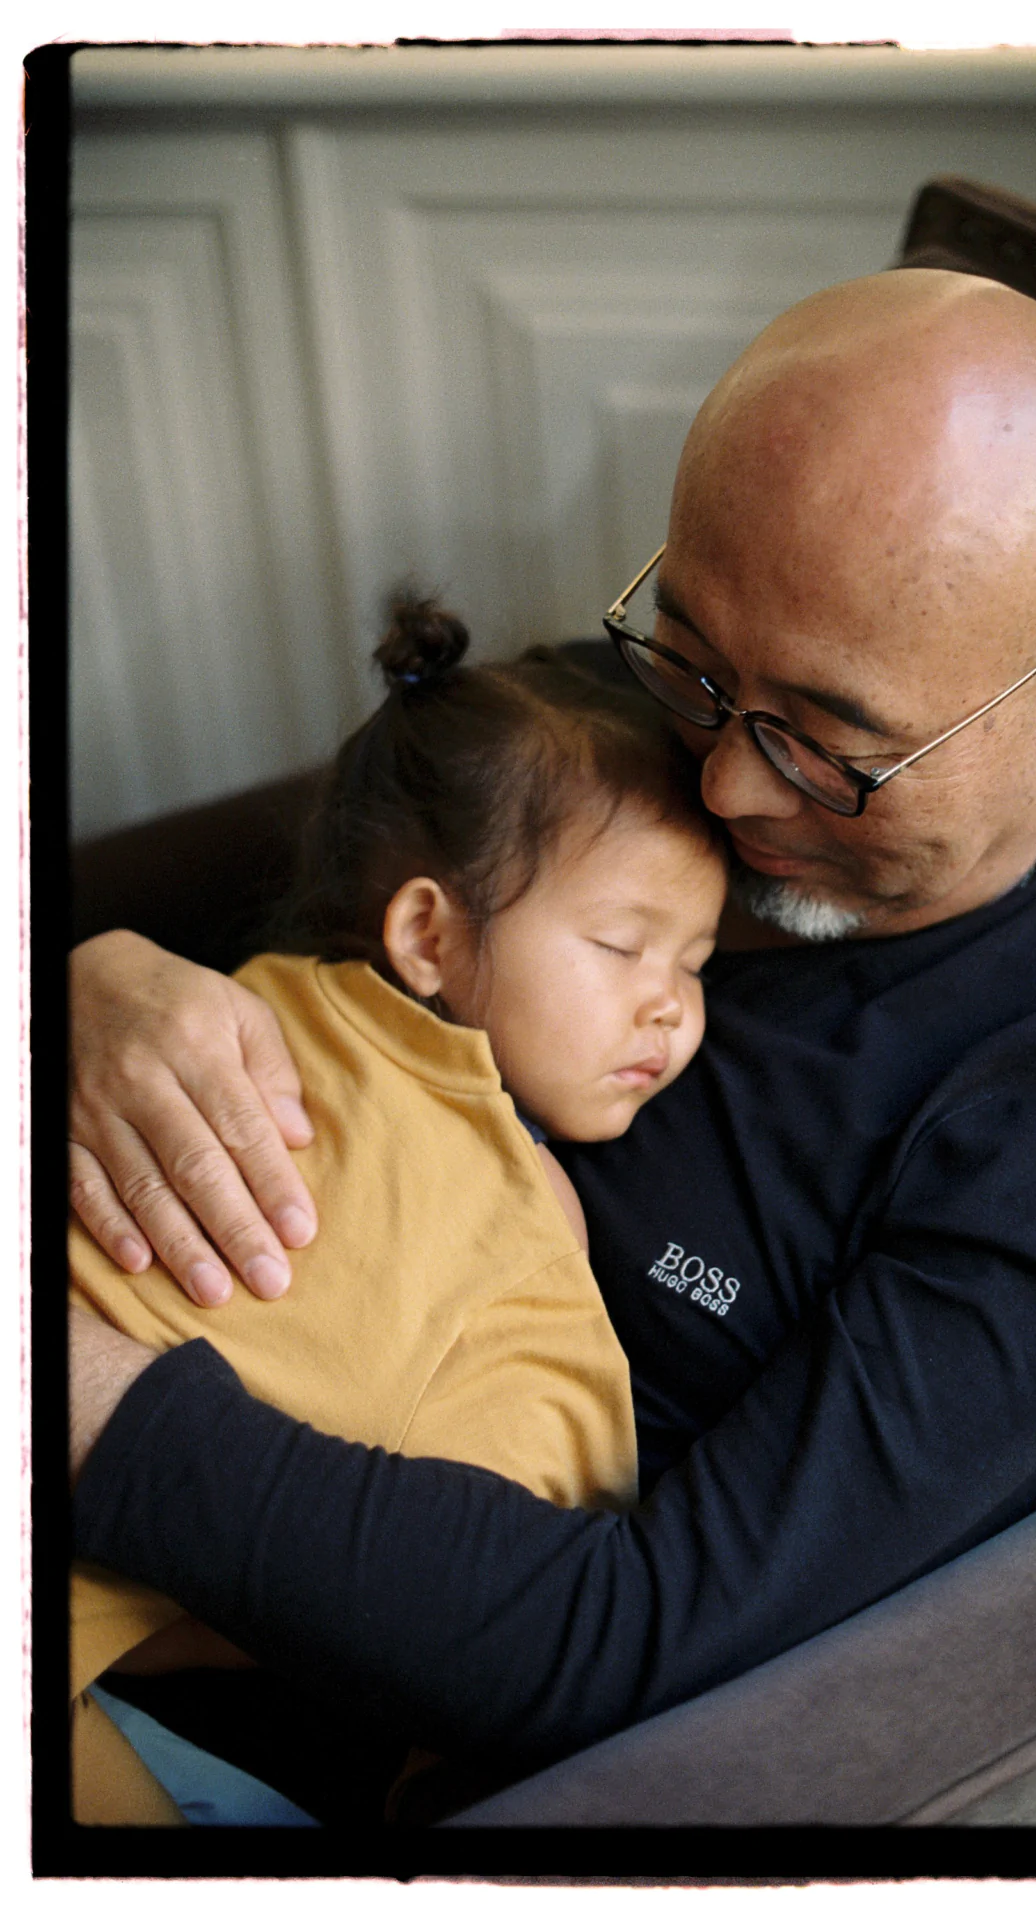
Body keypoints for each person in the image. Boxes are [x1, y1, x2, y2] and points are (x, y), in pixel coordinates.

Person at [68, 269, 1036, 1797]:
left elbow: (624, 1646)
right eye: (689, 657)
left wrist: (75, 1400)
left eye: (829, 750)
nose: (723, 793)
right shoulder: (654, 729)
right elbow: (364, 922)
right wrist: (96, 980)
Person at [69, 602, 726, 1821]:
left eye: (697, 964)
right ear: (426, 932)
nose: (672, 1011)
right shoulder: (500, 1204)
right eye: (624, 945)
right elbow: (534, 1567)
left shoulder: (244, 1006)